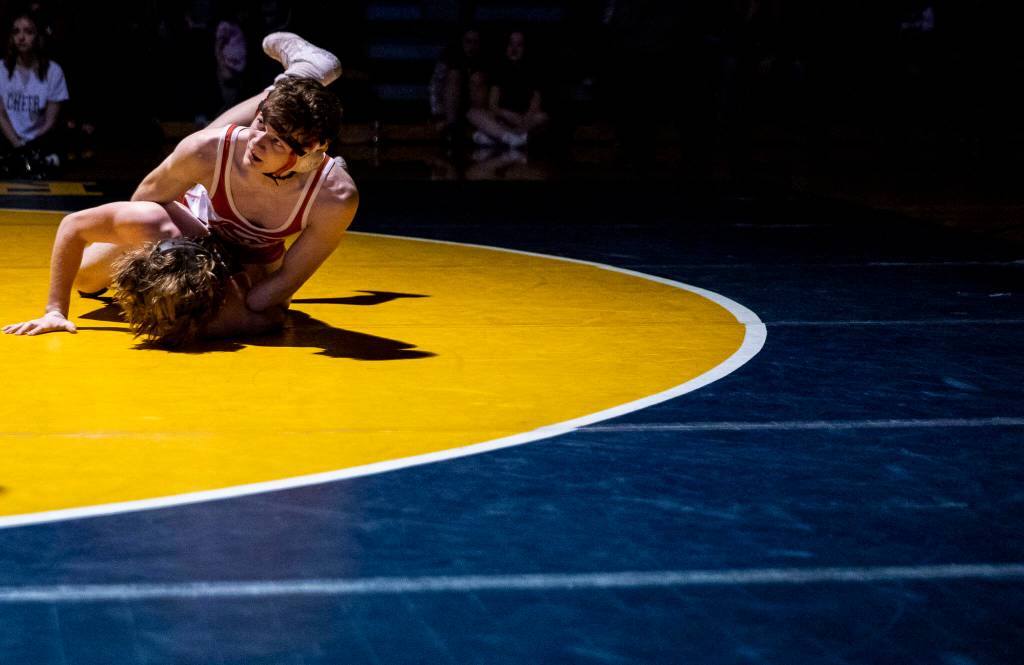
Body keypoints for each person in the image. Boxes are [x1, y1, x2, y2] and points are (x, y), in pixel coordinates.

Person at [3, 33, 358, 346]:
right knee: (87, 274)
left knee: (249, 312)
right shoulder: (215, 148)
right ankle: (302, 73)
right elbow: (142, 201)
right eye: (259, 123)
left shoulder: (335, 197)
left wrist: (227, 295)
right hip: (192, 227)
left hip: (251, 258)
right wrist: (55, 310)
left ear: (311, 153)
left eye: (277, 142)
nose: (257, 142)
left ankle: (300, 78)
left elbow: (275, 293)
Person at [0, 10, 68, 174]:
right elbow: (0, 114)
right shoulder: (1, 69)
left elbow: (50, 122)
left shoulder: (53, 71)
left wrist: (30, 145)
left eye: (28, 32)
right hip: (8, 139)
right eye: (16, 31)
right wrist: (17, 144)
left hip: (39, 141)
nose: (21, 37)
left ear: (38, 36)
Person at [467, 30, 549, 150]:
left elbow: (534, 107)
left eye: (519, 45)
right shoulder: (499, 70)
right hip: (502, 119)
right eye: (511, 44)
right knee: (473, 113)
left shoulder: (534, 72)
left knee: (542, 117)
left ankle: (498, 136)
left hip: (523, 121)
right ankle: (511, 138)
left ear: (525, 48)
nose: (514, 48)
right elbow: (493, 105)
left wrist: (522, 119)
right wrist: (507, 114)